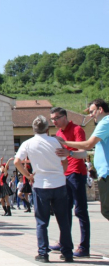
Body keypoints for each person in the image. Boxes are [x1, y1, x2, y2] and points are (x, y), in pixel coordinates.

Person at [14, 115, 73, 263]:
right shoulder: (56, 142)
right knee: (63, 220)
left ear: (34, 129)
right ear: (47, 129)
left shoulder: (28, 143)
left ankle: (43, 253)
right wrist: (61, 172)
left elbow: (17, 161)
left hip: (41, 185)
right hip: (59, 183)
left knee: (41, 221)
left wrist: (28, 175)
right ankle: (67, 252)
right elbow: (65, 161)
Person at [58, 99, 109, 222]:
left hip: (107, 173)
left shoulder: (105, 122)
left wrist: (64, 143)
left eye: (92, 112)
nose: (91, 115)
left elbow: (88, 145)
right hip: (104, 173)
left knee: (106, 210)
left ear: (100, 109)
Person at [50, 107, 90, 258]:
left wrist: (69, 151)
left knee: (80, 211)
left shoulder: (77, 129)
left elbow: (84, 152)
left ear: (65, 117)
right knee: (64, 211)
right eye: (52, 119)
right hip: (63, 175)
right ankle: (64, 242)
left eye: (56, 118)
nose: (54, 121)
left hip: (77, 173)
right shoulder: (58, 133)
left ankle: (84, 246)